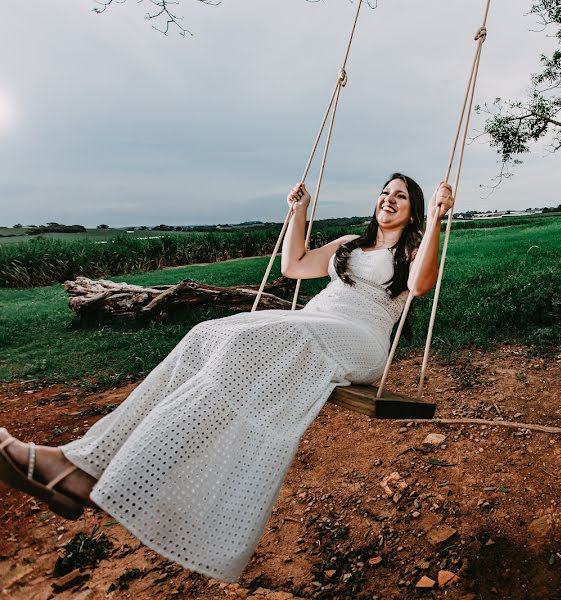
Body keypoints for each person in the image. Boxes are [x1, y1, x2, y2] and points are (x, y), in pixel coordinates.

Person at [0, 173, 454, 582]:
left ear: (413, 209)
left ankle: (117, 479)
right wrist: (299, 212)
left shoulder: (412, 250)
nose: (389, 200)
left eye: (401, 197)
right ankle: (84, 462)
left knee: (254, 342)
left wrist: (435, 220)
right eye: (385, 192)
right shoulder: (350, 244)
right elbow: (293, 266)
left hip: (360, 337)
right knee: (205, 334)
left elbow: (419, 286)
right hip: (313, 324)